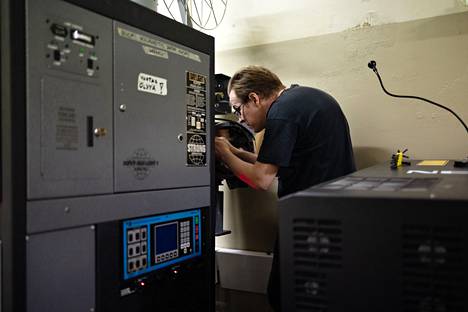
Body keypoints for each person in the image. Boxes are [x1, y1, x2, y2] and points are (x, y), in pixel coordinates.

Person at [215, 66, 355, 311]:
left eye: (238, 109)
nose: (240, 119)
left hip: (309, 222)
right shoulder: (304, 98)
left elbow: (261, 179)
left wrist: (225, 154)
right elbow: (273, 164)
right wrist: (238, 153)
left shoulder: (281, 113)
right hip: (334, 216)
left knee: (283, 295)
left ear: (255, 98)